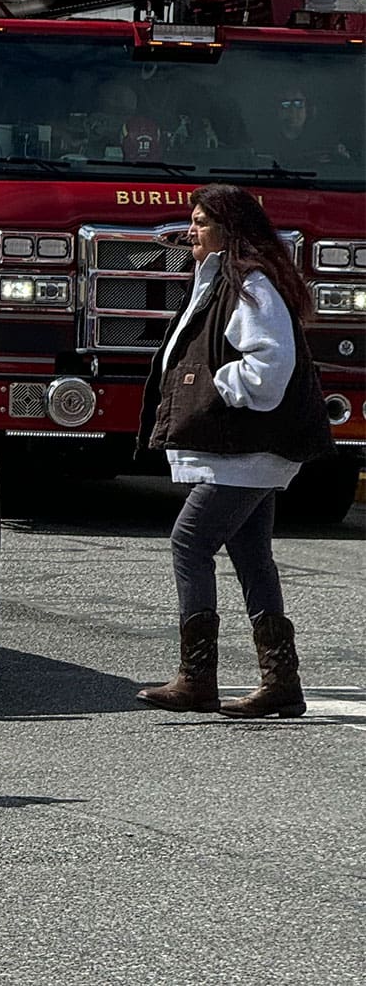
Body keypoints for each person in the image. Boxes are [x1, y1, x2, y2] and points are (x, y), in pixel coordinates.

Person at [135, 184, 333, 720]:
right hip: (246, 449)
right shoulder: (227, 280)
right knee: (251, 555)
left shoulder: (250, 284)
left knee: (188, 544)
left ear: (228, 228)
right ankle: (281, 682)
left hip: (251, 446)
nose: (190, 231)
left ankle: (197, 679)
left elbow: (270, 369)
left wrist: (219, 385)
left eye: (200, 222)